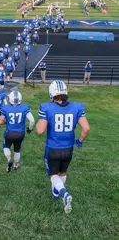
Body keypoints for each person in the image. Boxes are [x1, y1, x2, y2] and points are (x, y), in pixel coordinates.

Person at [36, 80, 90, 214]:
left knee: (53, 174)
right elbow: (86, 129)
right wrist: (80, 141)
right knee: (63, 173)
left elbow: (40, 130)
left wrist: (39, 122)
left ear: (51, 94)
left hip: (53, 148)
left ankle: (64, 193)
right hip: (68, 148)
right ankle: (55, 194)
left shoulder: (46, 107)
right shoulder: (77, 107)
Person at [0, 91, 35, 172]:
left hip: (9, 132)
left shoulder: (6, 108)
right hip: (20, 133)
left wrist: (6, 122)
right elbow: (32, 121)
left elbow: (0, 122)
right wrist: (29, 129)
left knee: (6, 146)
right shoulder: (25, 107)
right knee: (17, 150)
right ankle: (15, 165)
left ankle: (9, 159)